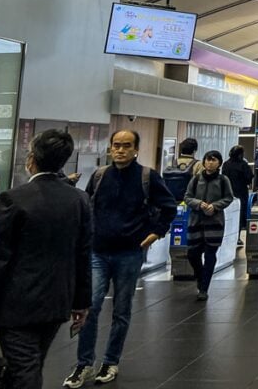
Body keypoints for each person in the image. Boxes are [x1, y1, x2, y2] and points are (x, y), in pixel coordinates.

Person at [0, 129, 91, 389]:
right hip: (58, 301)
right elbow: (83, 254)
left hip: (17, 306)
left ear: (31, 158)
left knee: (24, 370)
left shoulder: (13, 200)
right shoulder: (79, 199)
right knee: (33, 363)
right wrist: (81, 303)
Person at [65, 129, 177, 387]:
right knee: (90, 306)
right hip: (98, 250)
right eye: (116, 145)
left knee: (121, 309)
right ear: (110, 148)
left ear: (136, 149)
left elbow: (169, 207)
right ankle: (83, 364)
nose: (120, 150)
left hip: (129, 252)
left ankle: (110, 361)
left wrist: (156, 232)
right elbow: (89, 206)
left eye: (127, 146)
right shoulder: (100, 175)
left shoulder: (147, 177)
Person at [184, 151, 234, 301]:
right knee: (192, 254)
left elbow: (228, 197)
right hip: (196, 221)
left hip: (215, 223)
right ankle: (200, 277)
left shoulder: (223, 180)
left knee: (210, 254)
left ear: (219, 163)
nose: (210, 163)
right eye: (208, 160)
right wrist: (198, 204)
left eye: (214, 160)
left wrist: (215, 206)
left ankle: (204, 288)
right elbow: (187, 197)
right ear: (204, 162)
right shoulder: (196, 178)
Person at [221, 145, 253, 241]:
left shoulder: (226, 164)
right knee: (239, 215)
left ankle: (226, 236)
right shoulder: (243, 164)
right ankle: (237, 237)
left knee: (228, 215)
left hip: (227, 193)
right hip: (241, 193)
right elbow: (249, 178)